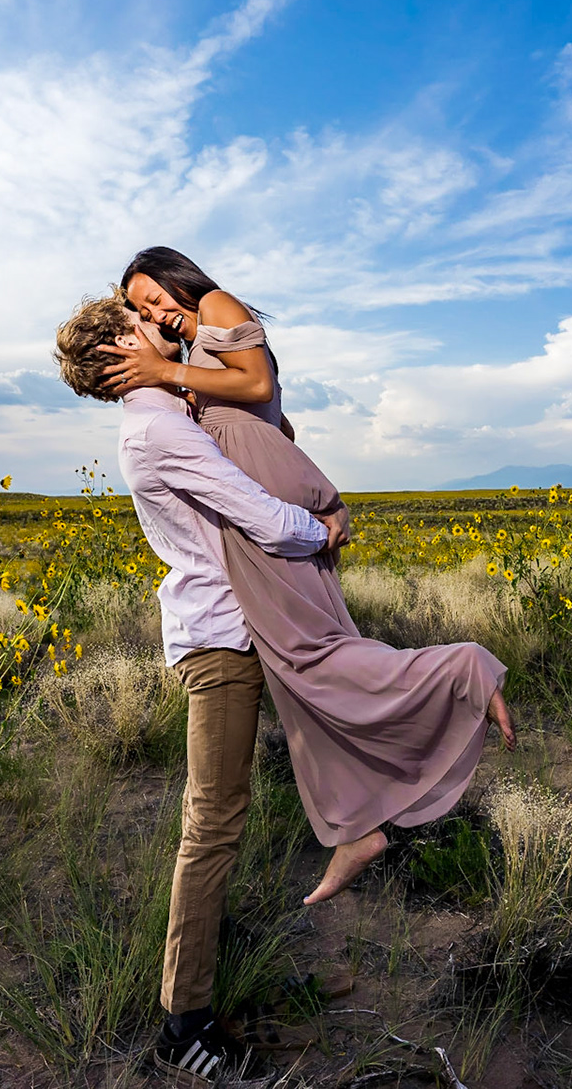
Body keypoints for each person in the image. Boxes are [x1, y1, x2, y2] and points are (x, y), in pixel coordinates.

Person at [100, 247, 516, 906]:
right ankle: (357, 825)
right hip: (264, 507)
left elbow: (260, 390)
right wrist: (300, 481)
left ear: (182, 278)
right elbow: (278, 421)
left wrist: (165, 370)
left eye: (156, 296)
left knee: (309, 655)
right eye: (142, 308)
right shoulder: (184, 378)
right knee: (298, 679)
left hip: (267, 517)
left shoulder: (215, 306)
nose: (157, 312)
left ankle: (462, 671)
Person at [54, 295, 350, 1086]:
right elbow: (251, 511)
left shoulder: (167, 412)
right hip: (221, 639)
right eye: (141, 319)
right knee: (212, 823)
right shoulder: (156, 428)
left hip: (236, 628)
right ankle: (183, 1024)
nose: (164, 323)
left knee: (239, 805)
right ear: (122, 342)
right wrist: (317, 527)